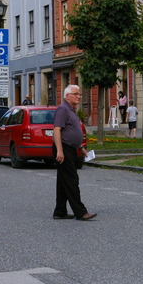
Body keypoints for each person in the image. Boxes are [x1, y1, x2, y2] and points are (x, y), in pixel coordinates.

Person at [52, 84, 97, 221]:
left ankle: (60, 211)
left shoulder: (71, 110)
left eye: (79, 94)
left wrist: (81, 147)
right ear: (67, 96)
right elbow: (57, 130)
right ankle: (81, 212)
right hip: (63, 148)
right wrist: (60, 150)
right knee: (72, 180)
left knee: (63, 181)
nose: (78, 96)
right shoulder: (62, 109)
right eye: (75, 94)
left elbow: (71, 132)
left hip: (70, 148)